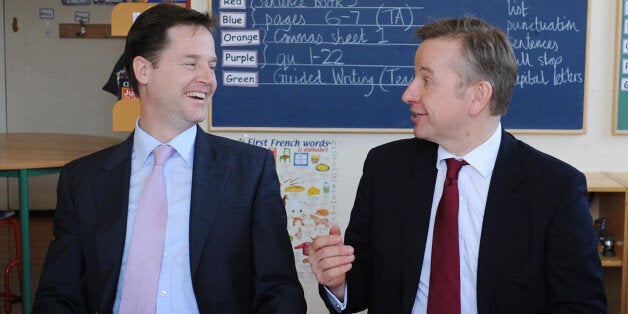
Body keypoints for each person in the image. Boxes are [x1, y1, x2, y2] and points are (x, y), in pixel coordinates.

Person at [308, 17, 606, 313]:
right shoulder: (386, 168)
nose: (408, 94)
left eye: (426, 80)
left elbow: (581, 306)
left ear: (477, 97)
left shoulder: (555, 188)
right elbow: (363, 285)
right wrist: (338, 283)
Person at [33, 4, 306, 313]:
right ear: (143, 70)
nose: (208, 79)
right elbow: (57, 295)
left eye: (212, 66)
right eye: (191, 64)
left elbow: (280, 290)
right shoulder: (82, 181)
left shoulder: (250, 172)